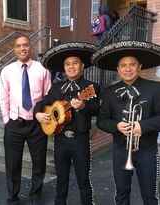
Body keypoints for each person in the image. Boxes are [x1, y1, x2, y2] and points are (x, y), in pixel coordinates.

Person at [92, 41, 160, 205]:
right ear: (118, 69)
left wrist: (142, 126)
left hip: (147, 150)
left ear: (139, 67)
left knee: (149, 194)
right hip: (121, 150)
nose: (127, 69)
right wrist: (116, 126)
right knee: (121, 193)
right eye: (123, 65)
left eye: (132, 65)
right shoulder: (109, 92)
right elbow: (101, 121)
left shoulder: (155, 88)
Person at [34, 42, 100, 205]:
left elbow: (98, 109)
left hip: (80, 140)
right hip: (60, 140)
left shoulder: (91, 88)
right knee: (61, 178)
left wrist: (83, 106)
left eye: (75, 63)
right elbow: (41, 103)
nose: (71, 67)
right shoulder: (56, 88)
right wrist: (38, 114)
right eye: (67, 64)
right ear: (64, 67)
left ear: (82, 66)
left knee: (83, 179)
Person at [0, 34, 52, 205]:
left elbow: (48, 96)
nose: (22, 48)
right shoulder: (7, 71)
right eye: (18, 46)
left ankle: (35, 194)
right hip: (15, 123)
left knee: (39, 163)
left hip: (37, 125)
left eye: (26, 45)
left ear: (31, 47)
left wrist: (44, 116)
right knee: (13, 164)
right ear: (14, 49)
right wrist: (7, 120)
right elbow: (3, 97)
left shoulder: (42, 69)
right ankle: (12, 197)